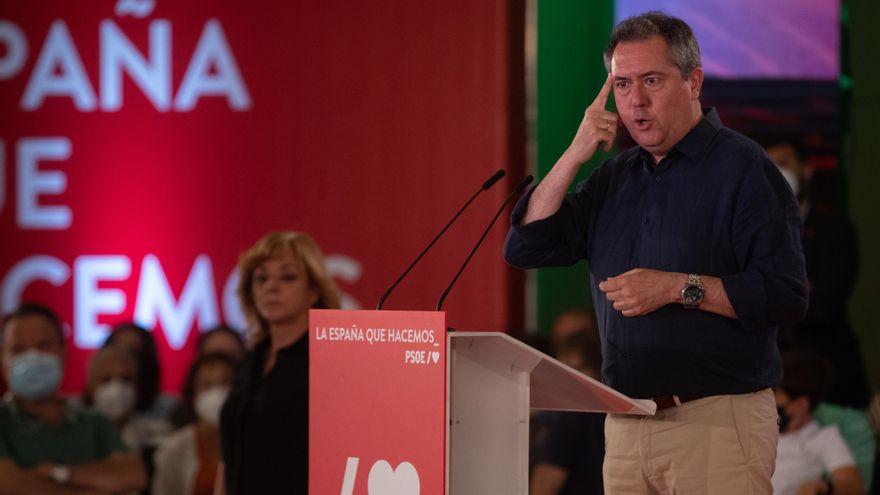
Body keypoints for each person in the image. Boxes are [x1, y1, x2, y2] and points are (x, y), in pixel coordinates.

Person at [504, 11, 808, 494]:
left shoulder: (745, 169)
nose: (636, 101)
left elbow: (785, 296)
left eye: (651, 80)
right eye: (622, 84)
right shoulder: (614, 177)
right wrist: (574, 154)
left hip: (716, 423)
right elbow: (526, 245)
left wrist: (676, 287)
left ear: (693, 82)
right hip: (626, 425)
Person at [219, 231, 341, 494]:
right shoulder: (250, 360)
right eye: (261, 278)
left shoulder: (327, 362)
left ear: (314, 291)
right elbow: (229, 454)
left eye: (288, 277)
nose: (271, 287)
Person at [766, 139, 870, 409]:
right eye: (769, 165)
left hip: (829, 376)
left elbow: (826, 304)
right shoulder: (752, 232)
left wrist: (767, 294)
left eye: (784, 163)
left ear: (807, 170)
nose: (777, 172)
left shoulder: (833, 230)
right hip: (771, 378)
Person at [0, 302, 147, 494]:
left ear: (63, 351)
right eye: (19, 349)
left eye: (43, 346)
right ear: (3, 359)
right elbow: (8, 484)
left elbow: (133, 475)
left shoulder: (95, 422)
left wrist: (57, 472)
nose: (33, 356)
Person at [773, 351, 865, 495]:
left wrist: (823, 487)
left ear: (801, 404)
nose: (770, 408)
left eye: (777, 405)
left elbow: (852, 485)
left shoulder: (825, 439)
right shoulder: (759, 426)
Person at [531, 331, 605, 495]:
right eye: (562, 370)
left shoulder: (570, 417)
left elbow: (545, 484)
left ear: (599, 370)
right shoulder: (613, 414)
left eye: (578, 369)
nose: (568, 379)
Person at [153, 353, 236, 495]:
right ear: (193, 395)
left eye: (225, 383)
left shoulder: (253, 442)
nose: (217, 392)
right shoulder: (172, 450)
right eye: (207, 385)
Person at [103, 323, 176, 421]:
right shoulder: (81, 409)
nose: (123, 357)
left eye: (133, 352)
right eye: (117, 349)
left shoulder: (170, 410)